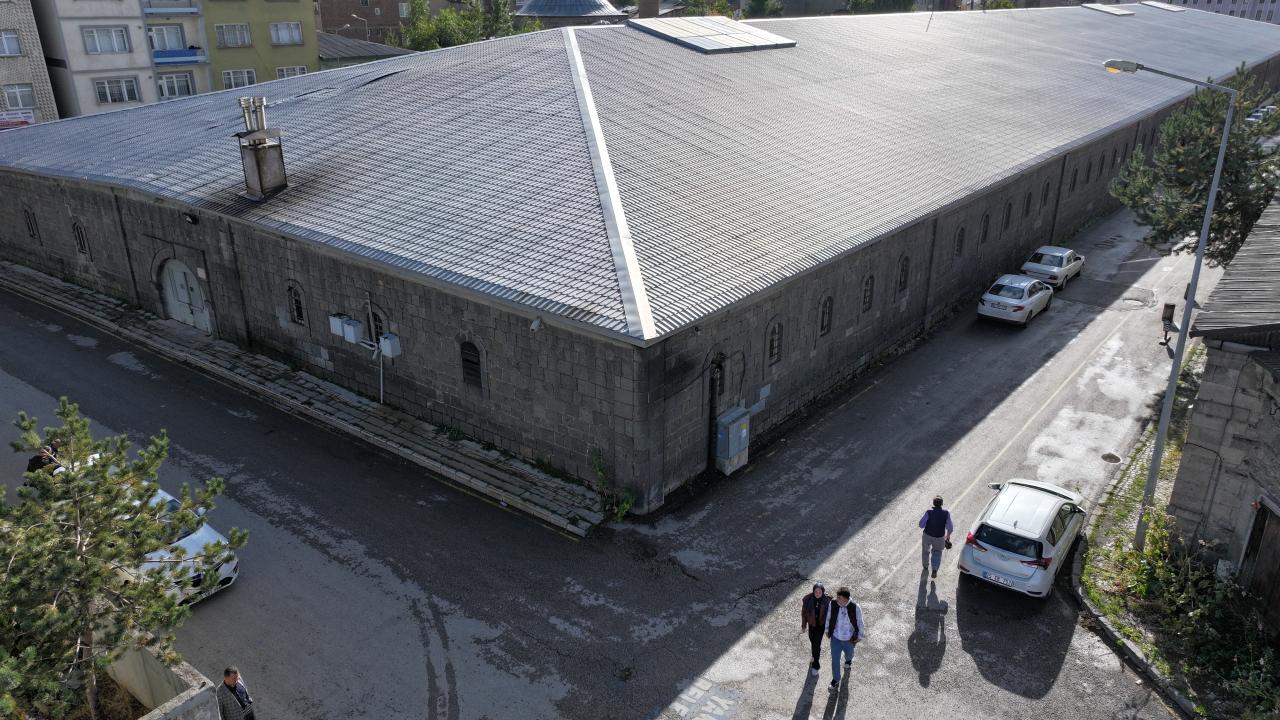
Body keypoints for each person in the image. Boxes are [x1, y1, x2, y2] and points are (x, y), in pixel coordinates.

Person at [824, 587, 865, 691]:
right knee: (835, 659)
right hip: (836, 638)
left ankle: (848, 661)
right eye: (837, 597)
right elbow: (828, 617)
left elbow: (860, 622)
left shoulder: (855, 607)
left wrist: (860, 636)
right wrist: (827, 630)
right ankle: (836, 679)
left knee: (849, 654)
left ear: (846, 599)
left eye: (840, 598)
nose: (837, 599)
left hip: (849, 639)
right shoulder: (833, 604)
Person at [919, 495, 953, 579]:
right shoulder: (946, 513)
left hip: (927, 535)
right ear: (942, 504)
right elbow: (950, 527)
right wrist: (947, 537)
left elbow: (921, 525)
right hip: (939, 537)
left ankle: (925, 566)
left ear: (933, 503)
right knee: (937, 553)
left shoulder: (929, 512)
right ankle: (934, 569)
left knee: (925, 551)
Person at [800, 583, 830, 676]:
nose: (817, 594)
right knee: (813, 641)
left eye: (819, 592)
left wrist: (829, 628)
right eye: (816, 592)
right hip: (812, 625)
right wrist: (804, 626)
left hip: (821, 626)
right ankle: (814, 655)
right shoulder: (808, 600)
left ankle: (816, 665)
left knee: (816, 644)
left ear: (823, 592)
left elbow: (831, 614)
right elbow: (804, 614)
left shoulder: (827, 600)